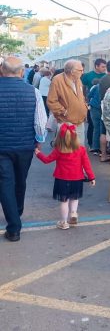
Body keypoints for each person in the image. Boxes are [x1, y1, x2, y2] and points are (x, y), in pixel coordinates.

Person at [0, 56, 47, 242]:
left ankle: (13, 224)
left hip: (1, 147)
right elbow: (40, 120)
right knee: (20, 180)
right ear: (21, 72)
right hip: (25, 146)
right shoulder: (33, 92)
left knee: (5, 183)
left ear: (2, 71)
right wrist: (39, 139)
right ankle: (15, 216)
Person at [35, 124, 95, 230]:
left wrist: (38, 153)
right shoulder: (81, 149)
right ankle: (73, 213)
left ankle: (63, 222)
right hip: (77, 179)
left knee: (64, 201)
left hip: (62, 179)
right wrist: (91, 177)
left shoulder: (59, 150)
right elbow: (87, 165)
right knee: (74, 198)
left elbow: (46, 160)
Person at [46, 59, 88, 145]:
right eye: (81, 70)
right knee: (66, 152)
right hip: (66, 122)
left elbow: (80, 96)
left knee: (80, 149)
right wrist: (64, 112)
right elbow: (51, 101)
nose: (82, 72)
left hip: (80, 121)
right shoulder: (57, 80)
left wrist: (84, 106)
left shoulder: (78, 80)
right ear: (72, 71)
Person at [82, 59, 107, 151]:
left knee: (98, 126)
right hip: (91, 104)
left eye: (105, 66)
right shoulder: (88, 75)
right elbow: (83, 87)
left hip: (102, 106)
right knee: (92, 125)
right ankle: (91, 144)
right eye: (102, 66)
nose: (104, 68)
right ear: (96, 66)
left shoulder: (106, 76)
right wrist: (84, 99)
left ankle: (97, 146)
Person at [87, 79, 102, 154]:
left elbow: (89, 95)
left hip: (93, 108)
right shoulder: (108, 87)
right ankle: (100, 148)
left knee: (96, 128)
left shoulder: (96, 87)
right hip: (100, 108)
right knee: (101, 129)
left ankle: (95, 147)